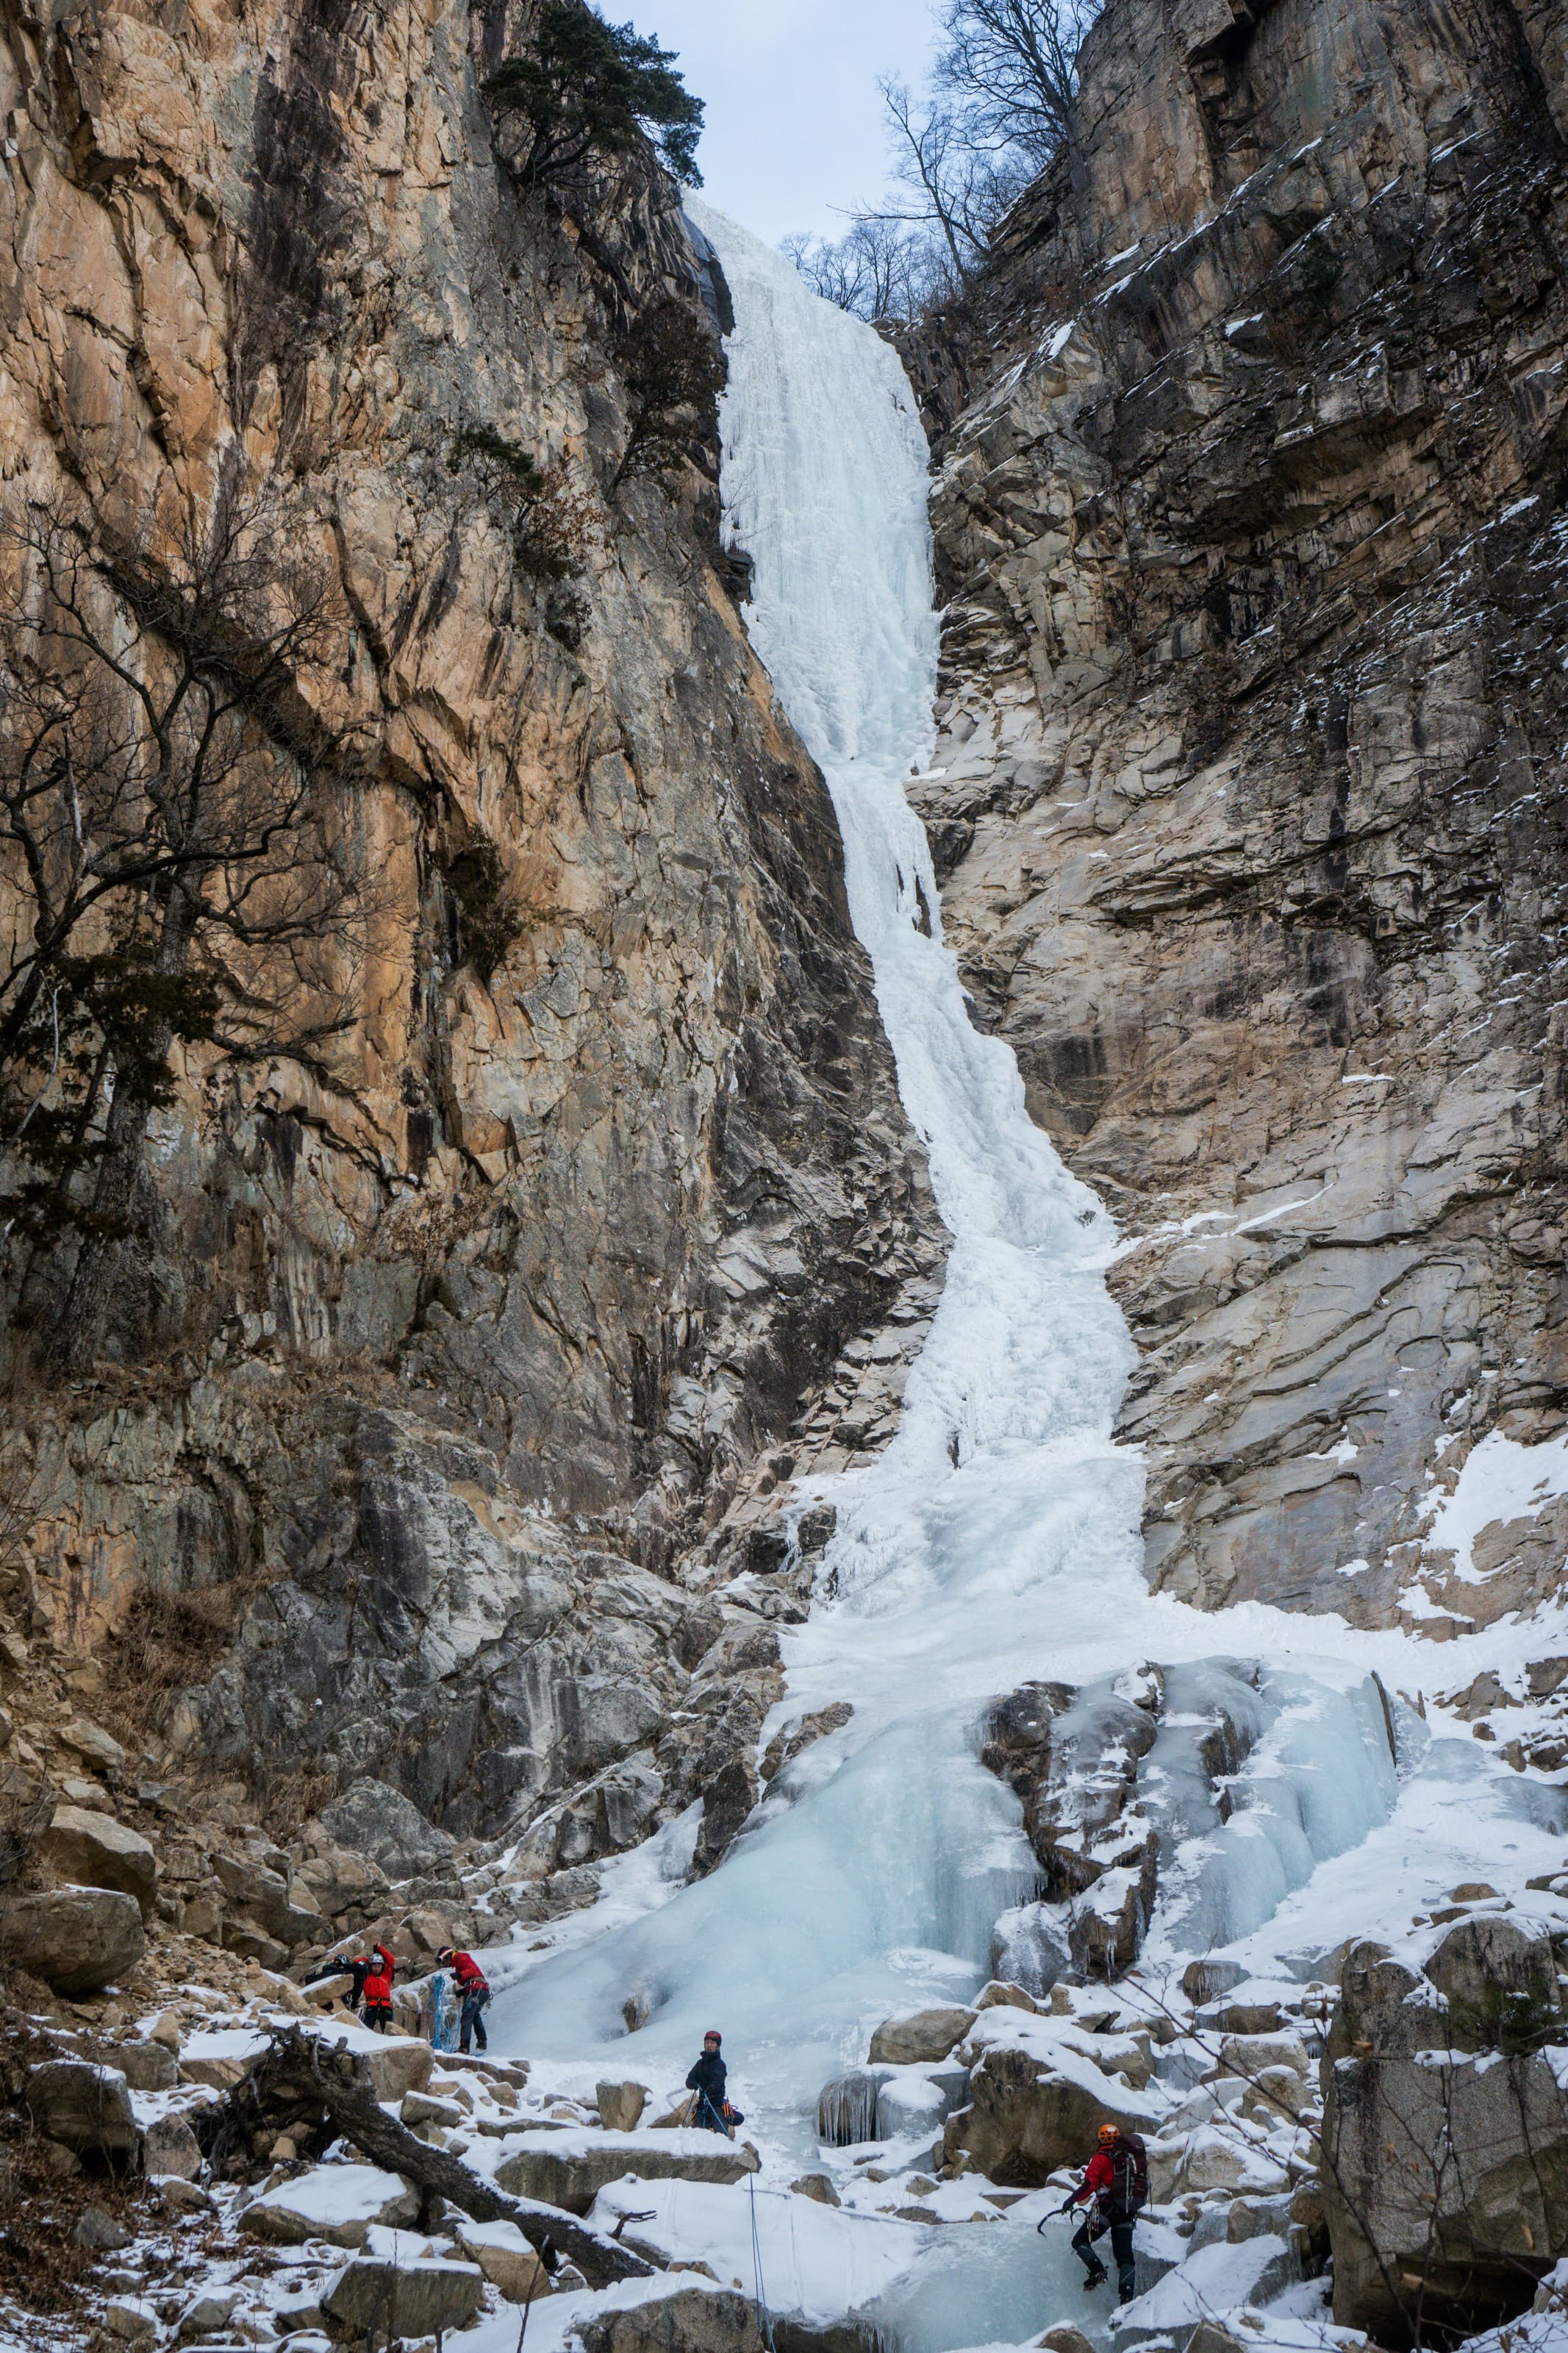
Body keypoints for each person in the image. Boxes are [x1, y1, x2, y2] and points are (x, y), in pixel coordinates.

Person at [1057, 2121, 1148, 2303]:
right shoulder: (1128, 2159)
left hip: (1106, 2209)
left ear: (1100, 2139)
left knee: (1080, 2241)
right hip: (1126, 2211)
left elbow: (1090, 2184)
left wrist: (1071, 2200)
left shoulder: (1100, 2158)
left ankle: (1097, 2270)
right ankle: (1127, 2299)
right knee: (1125, 2258)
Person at [435, 1947, 492, 2054]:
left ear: (448, 1957)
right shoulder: (459, 1963)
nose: (445, 1965)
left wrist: (460, 1975)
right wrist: (462, 1992)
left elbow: (470, 1971)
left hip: (476, 1990)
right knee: (474, 2016)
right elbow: (472, 1975)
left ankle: (464, 2048)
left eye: (444, 1962)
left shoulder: (462, 1957)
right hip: (481, 1990)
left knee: (466, 2017)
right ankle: (482, 2041)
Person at [686, 2029, 740, 2134]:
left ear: (718, 2046)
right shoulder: (700, 2064)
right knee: (697, 2135)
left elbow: (717, 2081)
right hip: (703, 2106)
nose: (709, 2045)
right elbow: (690, 2079)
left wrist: (708, 2088)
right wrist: (692, 2083)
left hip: (717, 2106)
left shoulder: (720, 2065)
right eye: (707, 2043)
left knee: (720, 2136)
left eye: (712, 2043)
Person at [360, 1941, 397, 2034]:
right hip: (371, 2005)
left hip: (386, 2005)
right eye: (374, 1966)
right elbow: (357, 1962)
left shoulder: (386, 1975)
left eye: (379, 1966)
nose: (377, 1968)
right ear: (370, 1966)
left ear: (382, 1966)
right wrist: (368, 1959)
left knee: (389, 2031)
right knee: (366, 2029)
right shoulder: (367, 1976)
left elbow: (391, 1960)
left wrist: (380, 1948)